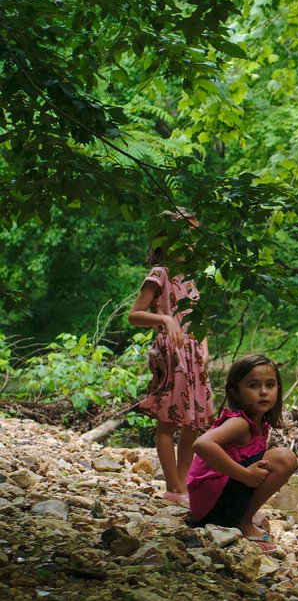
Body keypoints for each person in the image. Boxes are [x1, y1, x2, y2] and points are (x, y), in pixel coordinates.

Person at [127, 209, 215, 505]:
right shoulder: (160, 274)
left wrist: (204, 347)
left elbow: (197, 318)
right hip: (172, 354)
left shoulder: (190, 279)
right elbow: (134, 315)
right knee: (168, 421)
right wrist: (164, 320)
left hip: (194, 356)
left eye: (193, 236)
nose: (190, 243)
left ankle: (183, 485)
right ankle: (174, 488)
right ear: (167, 237)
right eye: (185, 235)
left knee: (193, 423)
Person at [187, 354, 297, 549]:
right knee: (284, 458)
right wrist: (245, 475)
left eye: (270, 385)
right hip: (212, 506)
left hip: (214, 502)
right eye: (253, 385)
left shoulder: (258, 422)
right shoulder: (239, 423)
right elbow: (201, 444)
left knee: (277, 458)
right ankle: (242, 522)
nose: (263, 392)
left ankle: (241, 518)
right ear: (236, 393)